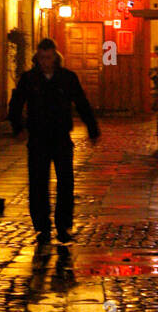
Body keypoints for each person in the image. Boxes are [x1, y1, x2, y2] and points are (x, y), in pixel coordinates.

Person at [7, 36, 100, 246]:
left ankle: (63, 225)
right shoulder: (29, 79)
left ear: (55, 57)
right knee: (38, 183)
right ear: (37, 58)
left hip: (60, 137)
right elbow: (16, 104)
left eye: (48, 57)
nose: (45, 62)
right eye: (41, 58)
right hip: (38, 137)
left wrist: (92, 128)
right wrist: (18, 127)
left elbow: (81, 102)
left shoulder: (67, 78)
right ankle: (42, 227)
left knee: (65, 182)